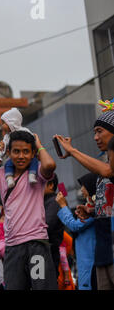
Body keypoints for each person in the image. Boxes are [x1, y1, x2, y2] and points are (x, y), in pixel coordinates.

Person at [0, 131, 58, 290]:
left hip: (37, 245)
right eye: (16, 151)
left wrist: (40, 146)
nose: (21, 156)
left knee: (42, 287)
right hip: (13, 248)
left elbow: (50, 165)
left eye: (26, 151)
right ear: (8, 152)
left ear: (33, 153)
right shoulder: (0, 174)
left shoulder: (38, 172)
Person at [55, 110, 114, 290]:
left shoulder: (106, 169)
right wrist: (91, 210)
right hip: (103, 252)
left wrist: (72, 151)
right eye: (94, 133)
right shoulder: (102, 170)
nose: (95, 137)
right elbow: (108, 209)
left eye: (99, 131)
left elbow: (108, 171)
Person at [55, 173, 97, 290]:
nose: (81, 190)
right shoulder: (90, 208)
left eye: (83, 186)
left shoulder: (93, 211)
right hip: (85, 262)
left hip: (89, 262)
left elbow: (74, 226)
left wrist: (63, 206)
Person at [0, 108, 39, 187]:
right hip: (13, 160)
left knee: (34, 162)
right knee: (8, 164)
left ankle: (32, 174)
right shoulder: (7, 137)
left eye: (3, 123)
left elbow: (33, 141)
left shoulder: (25, 131)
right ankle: (9, 178)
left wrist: (38, 149)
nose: (2, 126)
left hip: (30, 159)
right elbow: (2, 148)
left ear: (11, 122)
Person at [43, 174, 64, 279]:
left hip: (48, 252)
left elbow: (47, 225)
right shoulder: (45, 201)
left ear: (50, 185)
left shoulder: (54, 202)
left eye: (41, 183)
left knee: (45, 282)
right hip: (44, 252)